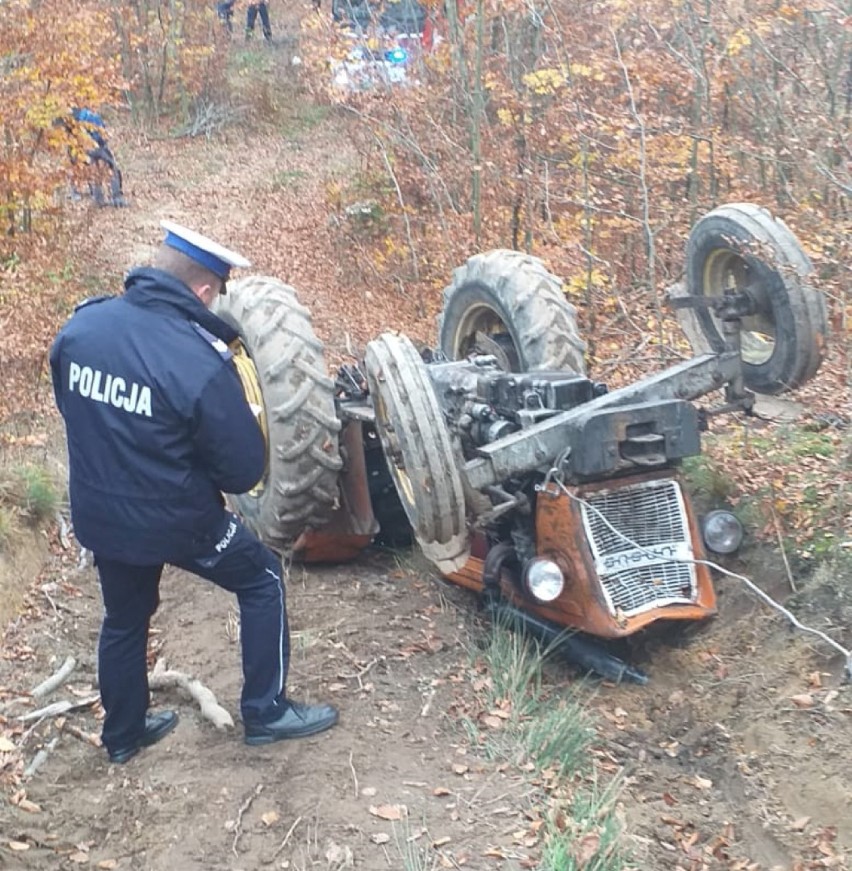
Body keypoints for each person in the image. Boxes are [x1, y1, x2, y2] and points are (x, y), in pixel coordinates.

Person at [50, 222, 339, 764]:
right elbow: (242, 471)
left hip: (103, 516)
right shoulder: (198, 360)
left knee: (124, 618)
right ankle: (266, 711)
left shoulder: (82, 328)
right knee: (261, 579)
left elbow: (73, 409)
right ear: (204, 291)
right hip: (180, 521)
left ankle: (123, 736)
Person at [69, 108, 126, 208]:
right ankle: (117, 197)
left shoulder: (76, 116)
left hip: (84, 148)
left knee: (91, 171)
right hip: (97, 147)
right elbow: (102, 134)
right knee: (112, 168)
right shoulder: (92, 115)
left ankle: (97, 199)